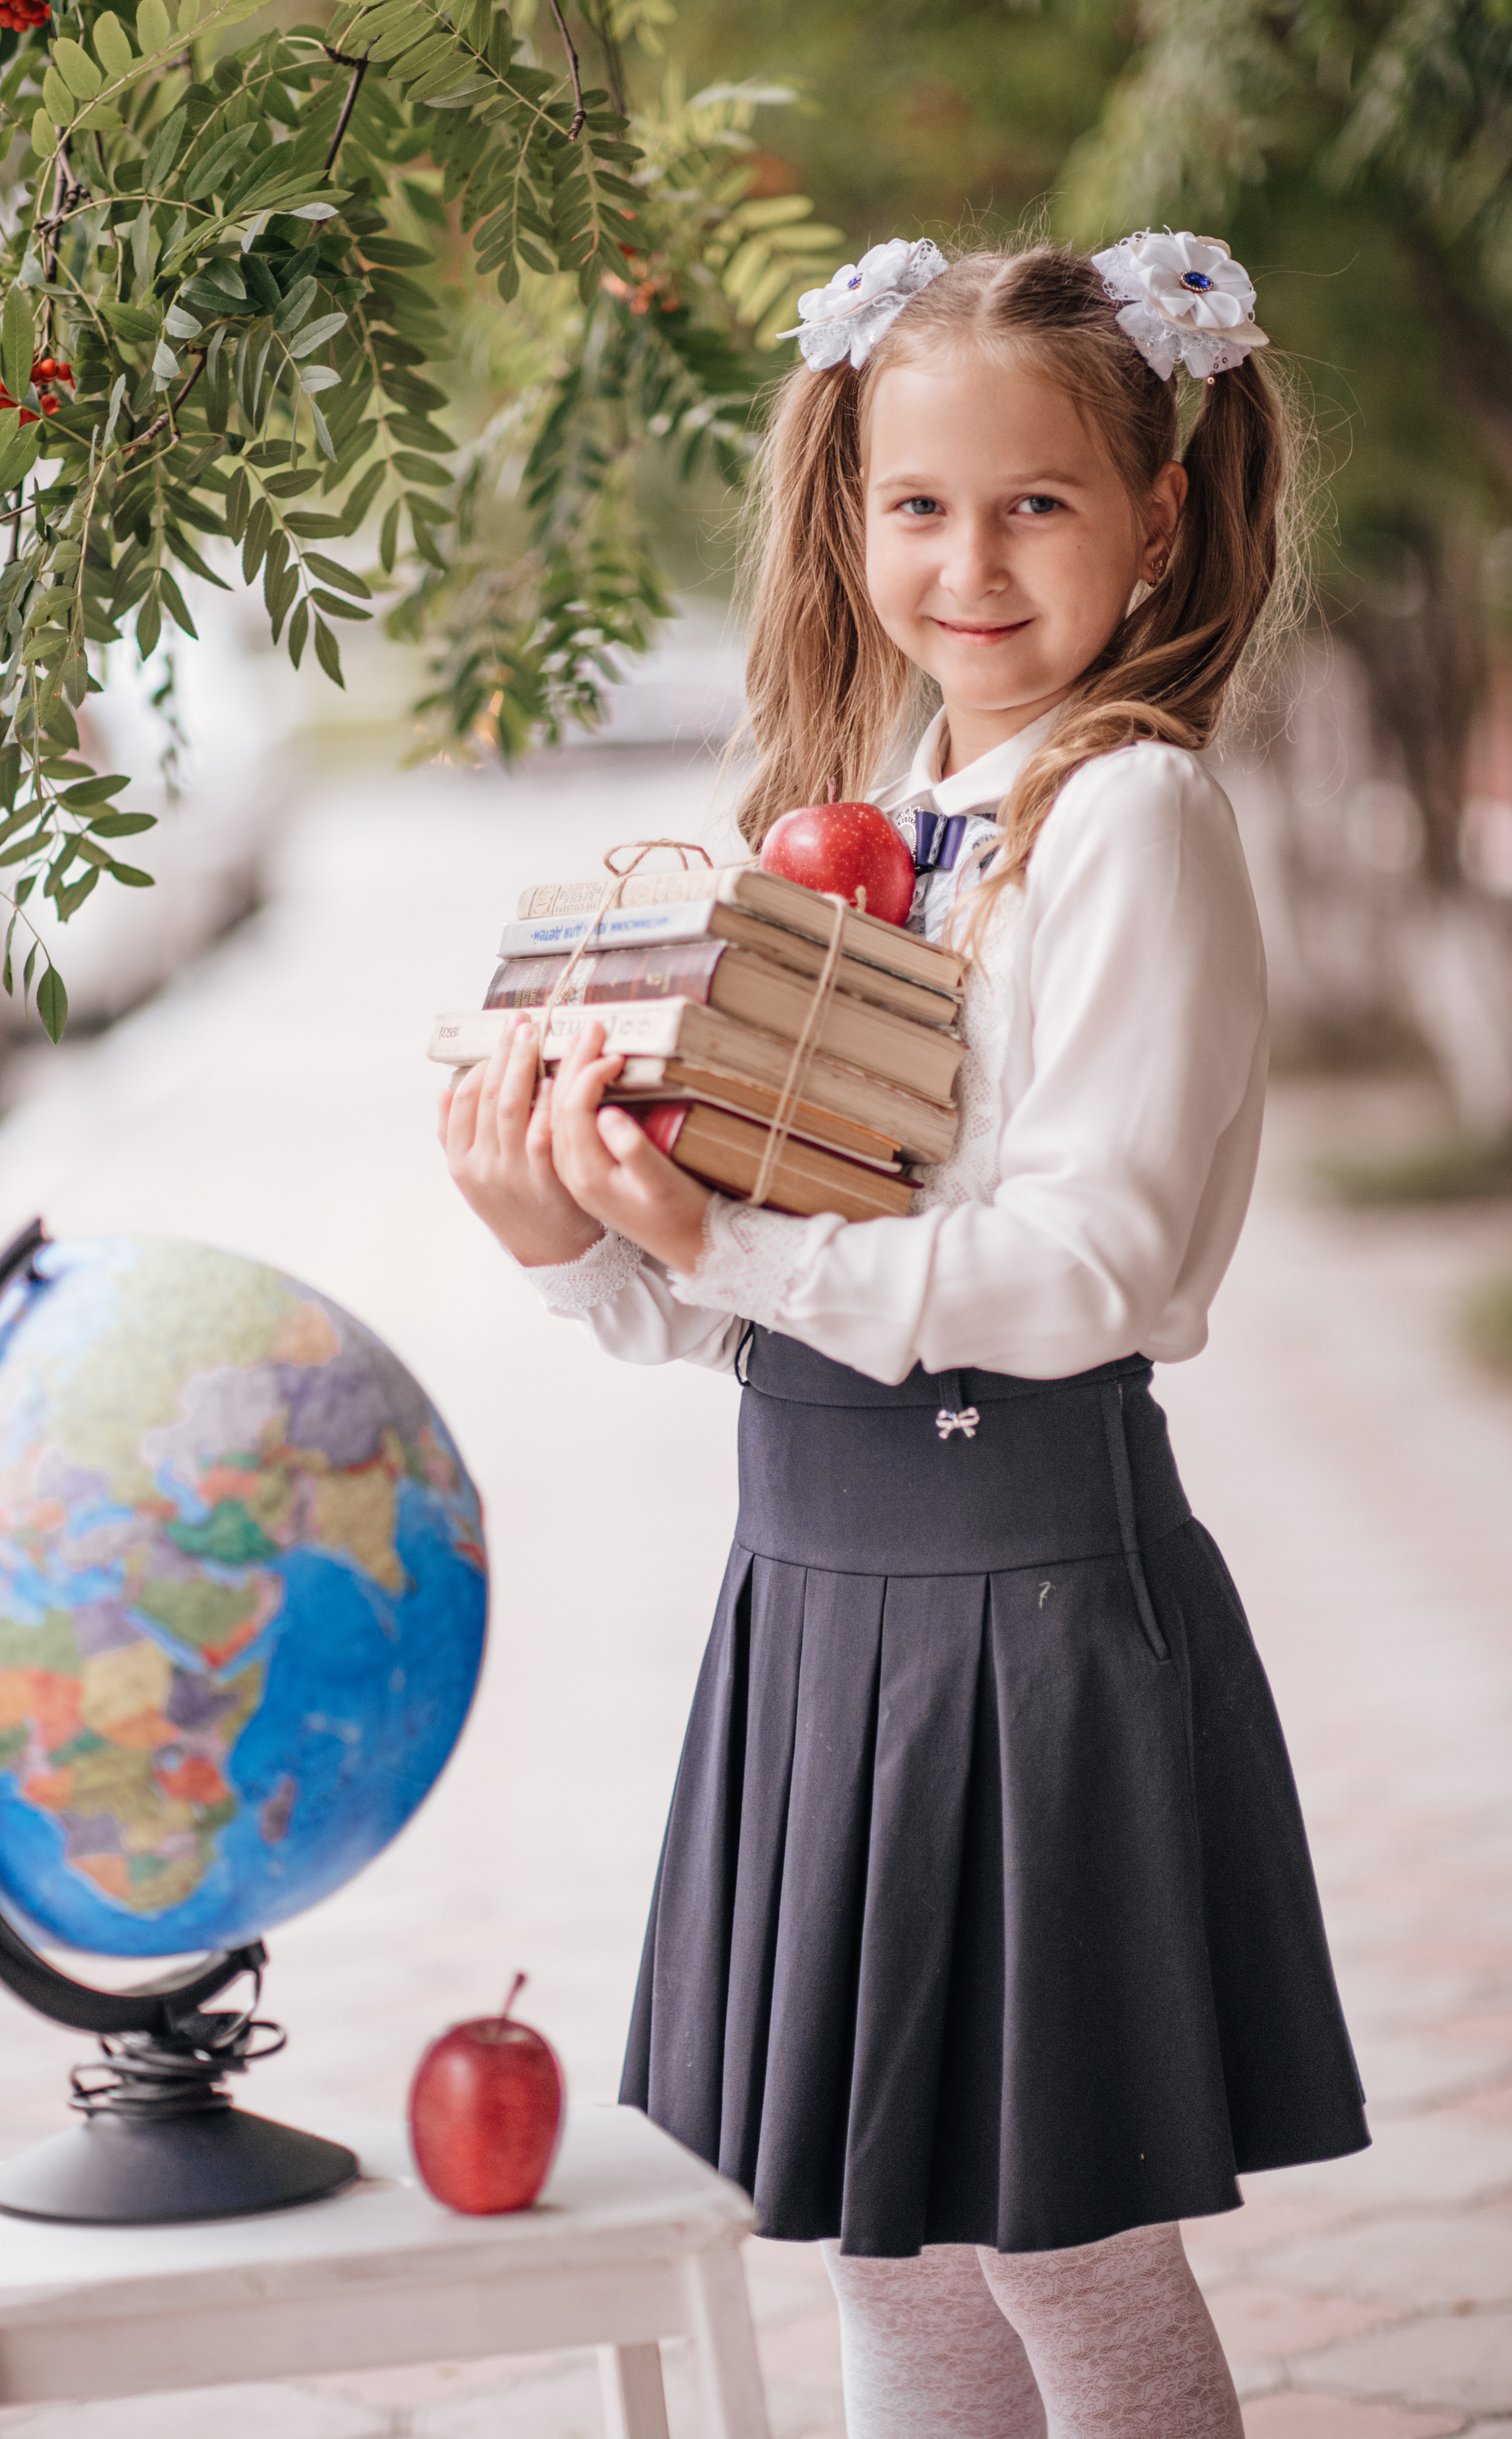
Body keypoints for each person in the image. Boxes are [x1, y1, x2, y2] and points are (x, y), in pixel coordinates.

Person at [438, 231, 1369, 2438]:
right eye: (922, 506)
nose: (972, 562)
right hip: (821, 1592)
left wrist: (720, 1244)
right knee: (891, 2236)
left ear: (1157, 515)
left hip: (1021, 1603)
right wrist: (572, 1237)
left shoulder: (1131, 813)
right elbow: (761, 1292)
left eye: (1036, 502)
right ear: (850, 520)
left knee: (1063, 2240)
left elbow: (1098, 1268)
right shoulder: (859, 829)